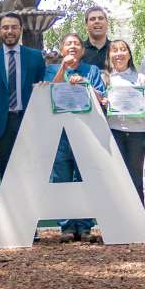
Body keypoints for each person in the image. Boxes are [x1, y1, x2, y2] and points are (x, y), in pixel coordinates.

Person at [45, 33, 108, 242]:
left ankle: (85, 226)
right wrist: (63, 68)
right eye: (68, 43)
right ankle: (67, 227)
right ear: (62, 49)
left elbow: (102, 98)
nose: (73, 47)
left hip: (86, 133)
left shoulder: (91, 70)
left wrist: (85, 84)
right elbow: (47, 94)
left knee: (85, 177)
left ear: (82, 50)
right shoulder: (52, 69)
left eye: (77, 44)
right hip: (60, 135)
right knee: (61, 178)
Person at [0, 12, 45, 176]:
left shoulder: (36, 57)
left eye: (14, 27)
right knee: (7, 174)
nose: (10, 31)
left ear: (21, 29)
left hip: (29, 121)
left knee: (32, 173)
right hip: (2, 125)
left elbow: (43, 89)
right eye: (5, 27)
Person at [104, 39, 145, 205]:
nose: (119, 54)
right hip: (114, 131)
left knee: (136, 177)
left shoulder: (141, 78)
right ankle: (119, 220)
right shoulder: (106, 78)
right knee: (116, 178)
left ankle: (140, 222)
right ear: (109, 55)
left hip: (138, 133)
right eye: (114, 50)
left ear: (129, 54)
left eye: (123, 50)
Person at [80, 6, 112, 71]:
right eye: (92, 19)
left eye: (100, 18)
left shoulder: (116, 50)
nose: (97, 21)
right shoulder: (79, 50)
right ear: (86, 25)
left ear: (107, 23)